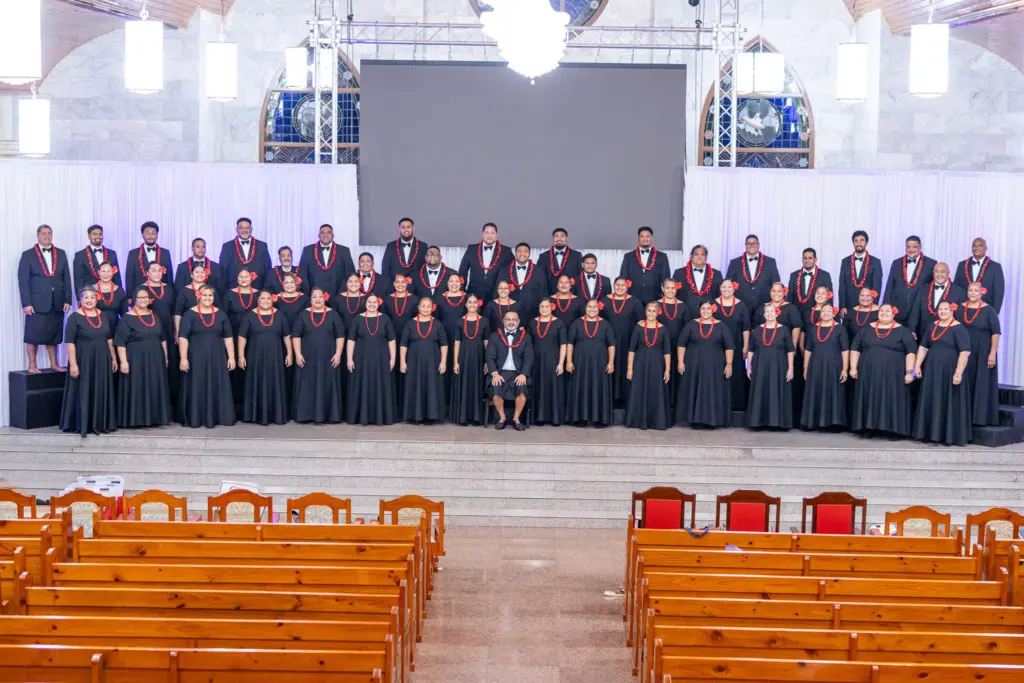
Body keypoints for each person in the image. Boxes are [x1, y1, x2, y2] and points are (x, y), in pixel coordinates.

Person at [849, 303, 917, 436]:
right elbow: (855, 347)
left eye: (888, 311)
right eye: (882, 310)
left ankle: (892, 429)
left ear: (894, 314)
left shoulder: (903, 331)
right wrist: (853, 367)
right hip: (868, 372)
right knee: (869, 397)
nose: (884, 313)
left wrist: (909, 372)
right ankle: (869, 427)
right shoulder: (867, 328)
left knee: (891, 398)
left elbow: (911, 352)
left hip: (894, 373)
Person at [60, 287, 117, 436]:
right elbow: (70, 342)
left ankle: (100, 423)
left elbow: (109, 338)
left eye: (92, 297)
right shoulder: (74, 317)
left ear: (97, 298)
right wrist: (73, 364)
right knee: (84, 389)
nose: (89, 300)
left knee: (100, 388)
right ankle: (83, 424)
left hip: (102, 359)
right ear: (80, 300)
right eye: (86, 298)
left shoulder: (103, 315)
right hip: (83, 360)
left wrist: (113, 358)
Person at [913, 301, 972, 445]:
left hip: (949, 370)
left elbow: (964, 353)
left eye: (946, 309)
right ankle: (929, 434)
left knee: (948, 400)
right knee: (932, 398)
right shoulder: (932, 326)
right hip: (932, 369)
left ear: (952, 310)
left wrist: (958, 372)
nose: (943, 311)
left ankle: (949, 436)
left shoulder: (959, 329)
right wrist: (917, 366)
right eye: (940, 309)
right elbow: (923, 348)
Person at [177, 285, 236, 428]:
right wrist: (183, 358)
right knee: (198, 384)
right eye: (204, 295)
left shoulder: (221, 314)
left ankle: (217, 417)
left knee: (216, 383)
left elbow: (228, 337)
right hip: (196, 356)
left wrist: (232, 357)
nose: (208, 298)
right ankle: (197, 417)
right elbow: (183, 337)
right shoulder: (189, 314)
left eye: (210, 295)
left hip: (217, 356)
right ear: (198, 296)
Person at [114, 287, 172, 428]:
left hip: (155, 357)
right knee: (137, 386)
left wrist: (165, 357)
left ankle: (155, 418)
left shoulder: (155, 316)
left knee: (154, 385)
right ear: (134, 299)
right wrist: (123, 362)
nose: (143, 300)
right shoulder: (127, 318)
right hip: (135, 358)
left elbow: (162, 338)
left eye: (146, 297)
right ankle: (136, 420)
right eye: (140, 298)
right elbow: (120, 342)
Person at [19, 225, 72, 373]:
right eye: (43, 234)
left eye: (49, 233)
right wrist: (26, 303)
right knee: (32, 335)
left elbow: (66, 278)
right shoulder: (27, 255)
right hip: (36, 302)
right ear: (38, 236)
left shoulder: (61, 254)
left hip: (57, 301)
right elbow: (23, 281)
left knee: (53, 335)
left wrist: (68, 299)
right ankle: (32, 365)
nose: (47, 236)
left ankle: (54, 364)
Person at [291, 287, 346, 424]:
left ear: (325, 298)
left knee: (327, 383)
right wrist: (297, 354)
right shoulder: (303, 315)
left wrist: (338, 354)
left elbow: (340, 335)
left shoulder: (333, 314)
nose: (317, 299)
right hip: (307, 357)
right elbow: (296, 336)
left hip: (328, 356)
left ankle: (329, 415)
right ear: (310, 299)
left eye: (320, 296)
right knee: (308, 384)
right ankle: (306, 415)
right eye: (314, 297)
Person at [677, 300, 734, 428]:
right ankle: (695, 420)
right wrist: (680, 362)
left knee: (712, 391)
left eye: (708, 308)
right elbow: (681, 344)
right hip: (694, 365)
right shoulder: (691, 325)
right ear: (699, 309)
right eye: (703, 308)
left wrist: (729, 364)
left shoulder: (722, 326)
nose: (706, 311)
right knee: (695, 390)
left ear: (713, 309)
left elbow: (729, 347)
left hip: (715, 366)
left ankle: (712, 421)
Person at [238, 290, 292, 425]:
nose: (266, 301)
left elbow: (287, 336)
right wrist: (240, 355)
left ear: (273, 299)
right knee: (256, 381)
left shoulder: (280, 315)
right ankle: (255, 415)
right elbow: (242, 337)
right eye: (263, 298)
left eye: (268, 298)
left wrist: (290, 353)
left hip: (275, 356)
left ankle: (276, 415)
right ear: (258, 300)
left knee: (275, 382)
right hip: (255, 356)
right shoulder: (249, 316)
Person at [346, 294, 397, 426]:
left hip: (381, 358)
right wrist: (349, 359)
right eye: (369, 302)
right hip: (361, 358)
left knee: (380, 385)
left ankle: (381, 416)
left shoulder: (385, 318)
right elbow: (351, 340)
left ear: (378, 303)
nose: (372, 304)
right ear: (365, 303)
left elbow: (392, 340)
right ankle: (361, 416)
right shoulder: (357, 319)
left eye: (374, 302)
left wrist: (393, 359)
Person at [566, 299, 616, 426]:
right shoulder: (577, 323)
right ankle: (580, 418)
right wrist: (569, 361)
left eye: (594, 307)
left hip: (600, 362)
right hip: (580, 361)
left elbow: (611, 345)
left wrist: (611, 362)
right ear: (585, 308)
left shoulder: (606, 324)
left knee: (599, 387)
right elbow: (570, 343)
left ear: (598, 309)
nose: (592, 309)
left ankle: (600, 419)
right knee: (581, 387)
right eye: (589, 306)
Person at [957, 281, 1001, 427]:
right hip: (964, 351)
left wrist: (992, 353)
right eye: (970, 290)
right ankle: (963, 417)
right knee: (964, 381)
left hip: (983, 352)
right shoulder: (959, 308)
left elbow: (995, 333)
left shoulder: (989, 310)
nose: (973, 293)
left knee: (981, 382)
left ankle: (980, 418)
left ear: (981, 292)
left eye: (976, 290)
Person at [746, 303, 795, 430]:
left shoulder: (784, 330)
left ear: (777, 313)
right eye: (767, 312)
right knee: (760, 391)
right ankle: (758, 422)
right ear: (763, 314)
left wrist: (791, 368)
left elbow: (790, 350)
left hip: (779, 365)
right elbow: (751, 349)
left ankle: (777, 422)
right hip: (760, 365)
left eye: (771, 311)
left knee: (776, 390)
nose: (769, 314)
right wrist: (748, 366)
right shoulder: (757, 329)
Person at [400, 297, 449, 423]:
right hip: (413, 360)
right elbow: (403, 344)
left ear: (432, 308)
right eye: (423, 306)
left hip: (433, 360)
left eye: (428, 306)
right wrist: (402, 361)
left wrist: (443, 362)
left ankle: (431, 415)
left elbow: (444, 345)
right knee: (415, 385)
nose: (426, 309)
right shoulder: (410, 324)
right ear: (418, 307)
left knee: (432, 385)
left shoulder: (438, 324)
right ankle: (415, 415)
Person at [801, 305, 849, 430]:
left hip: (834, 364)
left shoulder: (840, 329)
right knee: (815, 390)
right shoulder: (813, 328)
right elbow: (808, 349)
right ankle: (814, 422)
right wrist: (806, 367)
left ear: (834, 314)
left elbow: (845, 350)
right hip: (815, 364)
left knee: (832, 391)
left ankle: (833, 423)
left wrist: (845, 369)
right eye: (823, 311)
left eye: (829, 311)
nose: (826, 313)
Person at [625, 302, 672, 430]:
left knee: (655, 390)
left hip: (657, 364)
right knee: (639, 389)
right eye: (649, 311)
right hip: (640, 362)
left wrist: (667, 369)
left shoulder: (663, 329)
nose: (651, 313)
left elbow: (667, 351)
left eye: (654, 311)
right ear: (645, 312)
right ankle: (637, 420)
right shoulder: (638, 328)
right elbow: (631, 349)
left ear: (658, 313)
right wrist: (630, 368)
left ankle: (656, 421)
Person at [486, 310, 534, 431]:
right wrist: (495, 373)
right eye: (508, 319)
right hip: (500, 372)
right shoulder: (494, 336)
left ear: (518, 321)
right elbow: (489, 356)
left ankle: (516, 419)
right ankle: (502, 418)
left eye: (514, 320)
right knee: (496, 392)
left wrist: (523, 374)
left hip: (518, 373)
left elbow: (529, 357)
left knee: (522, 392)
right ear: (503, 321)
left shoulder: (526, 337)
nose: (511, 322)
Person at [450, 294, 490, 426]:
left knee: (477, 385)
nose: (472, 305)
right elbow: (457, 342)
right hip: (464, 357)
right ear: (466, 304)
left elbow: (486, 343)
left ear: (478, 304)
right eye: (469, 302)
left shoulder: (484, 321)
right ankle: (463, 417)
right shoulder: (459, 321)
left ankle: (476, 417)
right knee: (464, 385)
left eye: (474, 302)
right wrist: (456, 361)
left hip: (479, 357)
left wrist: (487, 361)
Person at [604, 276, 644, 407]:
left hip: (628, 340)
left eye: (622, 285)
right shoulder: (605, 300)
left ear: (627, 286)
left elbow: (640, 322)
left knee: (626, 366)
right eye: (617, 285)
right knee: (610, 366)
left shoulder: (635, 302)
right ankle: (609, 399)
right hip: (608, 342)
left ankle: (625, 400)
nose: (620, 288)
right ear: (613, 286)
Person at [225, 269, 260, 410]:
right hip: (234, 335)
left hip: (254, 337)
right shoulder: (229, 294)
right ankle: (237, 404)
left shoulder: (259, 294)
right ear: (237, 279)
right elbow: (224, 315)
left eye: (247, 276)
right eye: (241, 276)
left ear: (251, 278)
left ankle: (253, 402)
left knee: (252, 367)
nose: (244, 279)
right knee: (236, 369)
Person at [530, 298, 568, 426]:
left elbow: (563, 344)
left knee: (553, 388)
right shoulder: (532, 323)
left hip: (553, 360)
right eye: (542, 306)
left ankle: (555, 418)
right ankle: (538, 418)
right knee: (538, 387)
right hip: (536, 361)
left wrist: (561, 363)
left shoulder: (559, 323)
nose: (544, 309)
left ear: (551, 307)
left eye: (547, 306)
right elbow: (528, 344)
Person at [384, 273, 419, 411]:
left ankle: (407, 404)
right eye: (397, 282)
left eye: (402, 282)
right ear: (393, 284)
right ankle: (393, 404)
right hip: (391, 338)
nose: (400, 284)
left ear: (407, 283)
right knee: (392, 368)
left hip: (409, 339)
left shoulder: (414, 299)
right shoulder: (387, 299)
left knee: (406, 368)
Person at [883, 235, 936, 326]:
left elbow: (933, 288)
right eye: (908, 247)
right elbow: (889, 286)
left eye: (914, 247)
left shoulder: (931, 264)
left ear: (920, 247)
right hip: (897, 311)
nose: (911, 249)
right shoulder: (896, 263)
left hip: (919, 311)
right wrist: (886, 308)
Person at [716, 279, 751, 413]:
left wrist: (746, 345)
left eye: (729, 287)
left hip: (736, 343)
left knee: (735, 372)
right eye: (724, 287)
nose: (726, 289)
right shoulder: (713, 304)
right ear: (720, 288)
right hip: (717, 344)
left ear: (734, 288)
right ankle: (719, 402)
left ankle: (735, 404)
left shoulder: (741, 305)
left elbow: (746, 327)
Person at [908, 263, 965, 340]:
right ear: (933, 273)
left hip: (948, 336)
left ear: (948, 273)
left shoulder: (959, 291)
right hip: (924, 334)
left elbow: (960, 316)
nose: (939, 274)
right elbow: (915, 310)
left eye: (942, 272)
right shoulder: (924, 288)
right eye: (937, 271)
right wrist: (912, 329)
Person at [726, 234, 781, 313]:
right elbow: (728, 285)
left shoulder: (770, 262)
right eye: (749, 243)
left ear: (758, 245)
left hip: (765, 307)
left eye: (754, 243)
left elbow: (776, 283)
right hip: (740, 307)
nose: (751, 245)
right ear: (745, 245)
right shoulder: (735, 263)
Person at [298, 223, 355, 297]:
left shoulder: (344, 251)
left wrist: (342, 294)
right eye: (322, 233)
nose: (325, 235)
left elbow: (350, 274)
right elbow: (302, 274)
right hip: (314, 297)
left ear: (333, 236)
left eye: (328, 233)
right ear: (318, 236)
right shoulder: (307, 250)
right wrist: (308, 294)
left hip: (338, 297)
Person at [459, 222, 513, 299]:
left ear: (497, 235)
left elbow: (513, 271)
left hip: (497, 296)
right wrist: (462, 290)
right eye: (486, 232)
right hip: (473, 295)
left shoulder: (506, 251)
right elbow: (462, 271)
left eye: (492, 233)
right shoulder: (472, 249)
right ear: (482, 234)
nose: (489, 235)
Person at [656, 279, 688, 406]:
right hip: (659, 345)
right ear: (663, 289)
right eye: (667, 288)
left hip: (677, 345)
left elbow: (687, 328)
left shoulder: (683, 306)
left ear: (676, 289)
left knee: (676, 372)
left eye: (673, 288)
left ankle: (674, 403)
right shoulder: (655, 305)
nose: (670, 291)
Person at [619, 227, 671, 304]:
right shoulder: (628, 257)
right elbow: (623, 277)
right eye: (642, 236)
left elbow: (666, 279)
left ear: (651, 238)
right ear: (638, 238)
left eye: (647, 236)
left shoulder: (662, 257)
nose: (645, 239)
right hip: (632, 299)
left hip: (655, 298)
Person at [954, 237, 1005, 313]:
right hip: (964, 310)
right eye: (974, 245)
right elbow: (956, 287)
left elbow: (999, 292)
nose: (976, 248)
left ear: (985, 248)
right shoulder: (962, 265)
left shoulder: (995, 267)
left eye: (980, 245)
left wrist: (994, 312)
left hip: (986, 310)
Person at [219, 217, 272, 289]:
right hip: (234, 288)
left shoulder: (262, 246)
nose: (244, 230)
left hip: (257, 288)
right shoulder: (227, 246)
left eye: (247, 228)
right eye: (241, 228)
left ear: (251, 229)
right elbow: (223, 269)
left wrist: (266, 289)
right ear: (236, 230)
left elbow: (267, 268)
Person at [838, 230, 881, 318]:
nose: (859, 243)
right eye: (856, 240)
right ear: (853, 242)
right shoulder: (845, 261)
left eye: (862, 240)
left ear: (866, 242)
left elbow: (876, 286)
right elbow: (842, 285)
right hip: (849, 307)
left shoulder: (875, 262)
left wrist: (874, 306)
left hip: (868, 306)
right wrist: (842, 306)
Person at [125, 221, 174, 295]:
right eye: (147, 233)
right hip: (140, 294)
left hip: (161, 293)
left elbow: (169, 276)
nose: (150, 236)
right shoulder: (133, 253)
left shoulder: (165, 253)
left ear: (157, 235)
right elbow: (129, 276)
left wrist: (171, 293)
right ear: (142, 235)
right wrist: (129, 296)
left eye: (153, 234)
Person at [174, 263, 222, 338]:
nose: (200, 274)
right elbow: (178, 313)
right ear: (191, 275)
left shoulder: (212, 290)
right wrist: (177, 332)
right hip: (189, 329)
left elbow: (219, 310)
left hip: (210, 328)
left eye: (202, 272)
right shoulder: (184, 291)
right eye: (197, 272)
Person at [674, 245, 723, 314]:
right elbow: (674, 295)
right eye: (696, 254)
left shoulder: (716, 274)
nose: (699, 257)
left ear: (706, 257)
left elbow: (719, 296)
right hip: (685, 315)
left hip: (708, 315)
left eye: (702, 254)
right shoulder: (679, 273)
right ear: (691, 256)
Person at [73, 224, 121, 291]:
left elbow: (116, 276)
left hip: (110, 293)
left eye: (100, 234)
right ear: (89, 236)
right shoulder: (80, 255)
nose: (98, 236)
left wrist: (120, 293)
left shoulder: (112, 253)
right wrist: (79, 299)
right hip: (90, 295)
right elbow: (78, 280)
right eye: (94, 234)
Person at [787, 248, 834, 315]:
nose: (807, 261)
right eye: (805, 258)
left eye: (810, 258)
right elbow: (790, 297)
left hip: (817, 314)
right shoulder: (794, 275)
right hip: (797, 315)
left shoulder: (825, 275)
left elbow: (829, 297)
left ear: (815, 259)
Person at [537, 228, 583, 295]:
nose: (559, 238)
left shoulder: (577, 256)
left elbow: (580, 278)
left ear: (566, 238)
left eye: (562, 236)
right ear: (553, 239)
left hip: (571, 297)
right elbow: (540, 278)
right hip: (550, 297)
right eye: (556, 236)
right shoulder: (543, 257)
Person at [382, 217, 427, 282]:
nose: (406, 230)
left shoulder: (423, 246)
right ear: (399, 229)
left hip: (416, 287)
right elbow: (385, 268)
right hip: (395, 286)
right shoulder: (391, 246)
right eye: (403, 227)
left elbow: (425, 268)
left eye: (408, 227)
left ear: (413, 228)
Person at [507, 242, 543, 321]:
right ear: (515, 253)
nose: (522, 254)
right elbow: (498, 289)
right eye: (519, 251)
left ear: (529, 254)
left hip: (533, 312)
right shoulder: (505, 270)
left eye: (525, 251)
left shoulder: (538, 270)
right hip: (510, 312)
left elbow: (543, 292)